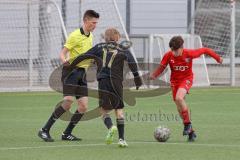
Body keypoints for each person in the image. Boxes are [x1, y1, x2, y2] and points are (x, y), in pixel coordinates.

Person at [70, 28, 142, 147]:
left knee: (103, 109)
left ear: (106, 37)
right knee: (118, 109)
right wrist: (137, 78)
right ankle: (122, 139)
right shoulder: (123, 49)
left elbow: (84, 55)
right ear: (117, 37)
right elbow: (132, 62)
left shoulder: (99, 47)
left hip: (103, 81)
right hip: (116, 82)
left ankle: (110, 127)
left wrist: (73, 64)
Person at [38, 10, 100, 142]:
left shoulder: (91, 36)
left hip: (82, 73)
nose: (95, 25)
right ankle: (44, 130)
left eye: (96, 23)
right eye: (93, 23)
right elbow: (63, 52)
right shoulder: (75, 35)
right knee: (68, 102)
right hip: (71, 71)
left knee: (83, 107)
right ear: (85, 21)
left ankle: (67, 133)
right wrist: (63, 60)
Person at [150, 36, 223, 141]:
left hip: (186, 79)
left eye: (176, 50)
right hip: (175, 83)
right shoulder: (168, 55)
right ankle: (191, 132)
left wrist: (217, 58)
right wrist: (154, 75)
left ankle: (187, 124)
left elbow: (205, 50)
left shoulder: (189, 54)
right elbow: (162, 67)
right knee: (180, 109)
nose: (174, 53)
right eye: (172, 50)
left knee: (179, 98)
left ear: (181, 47)